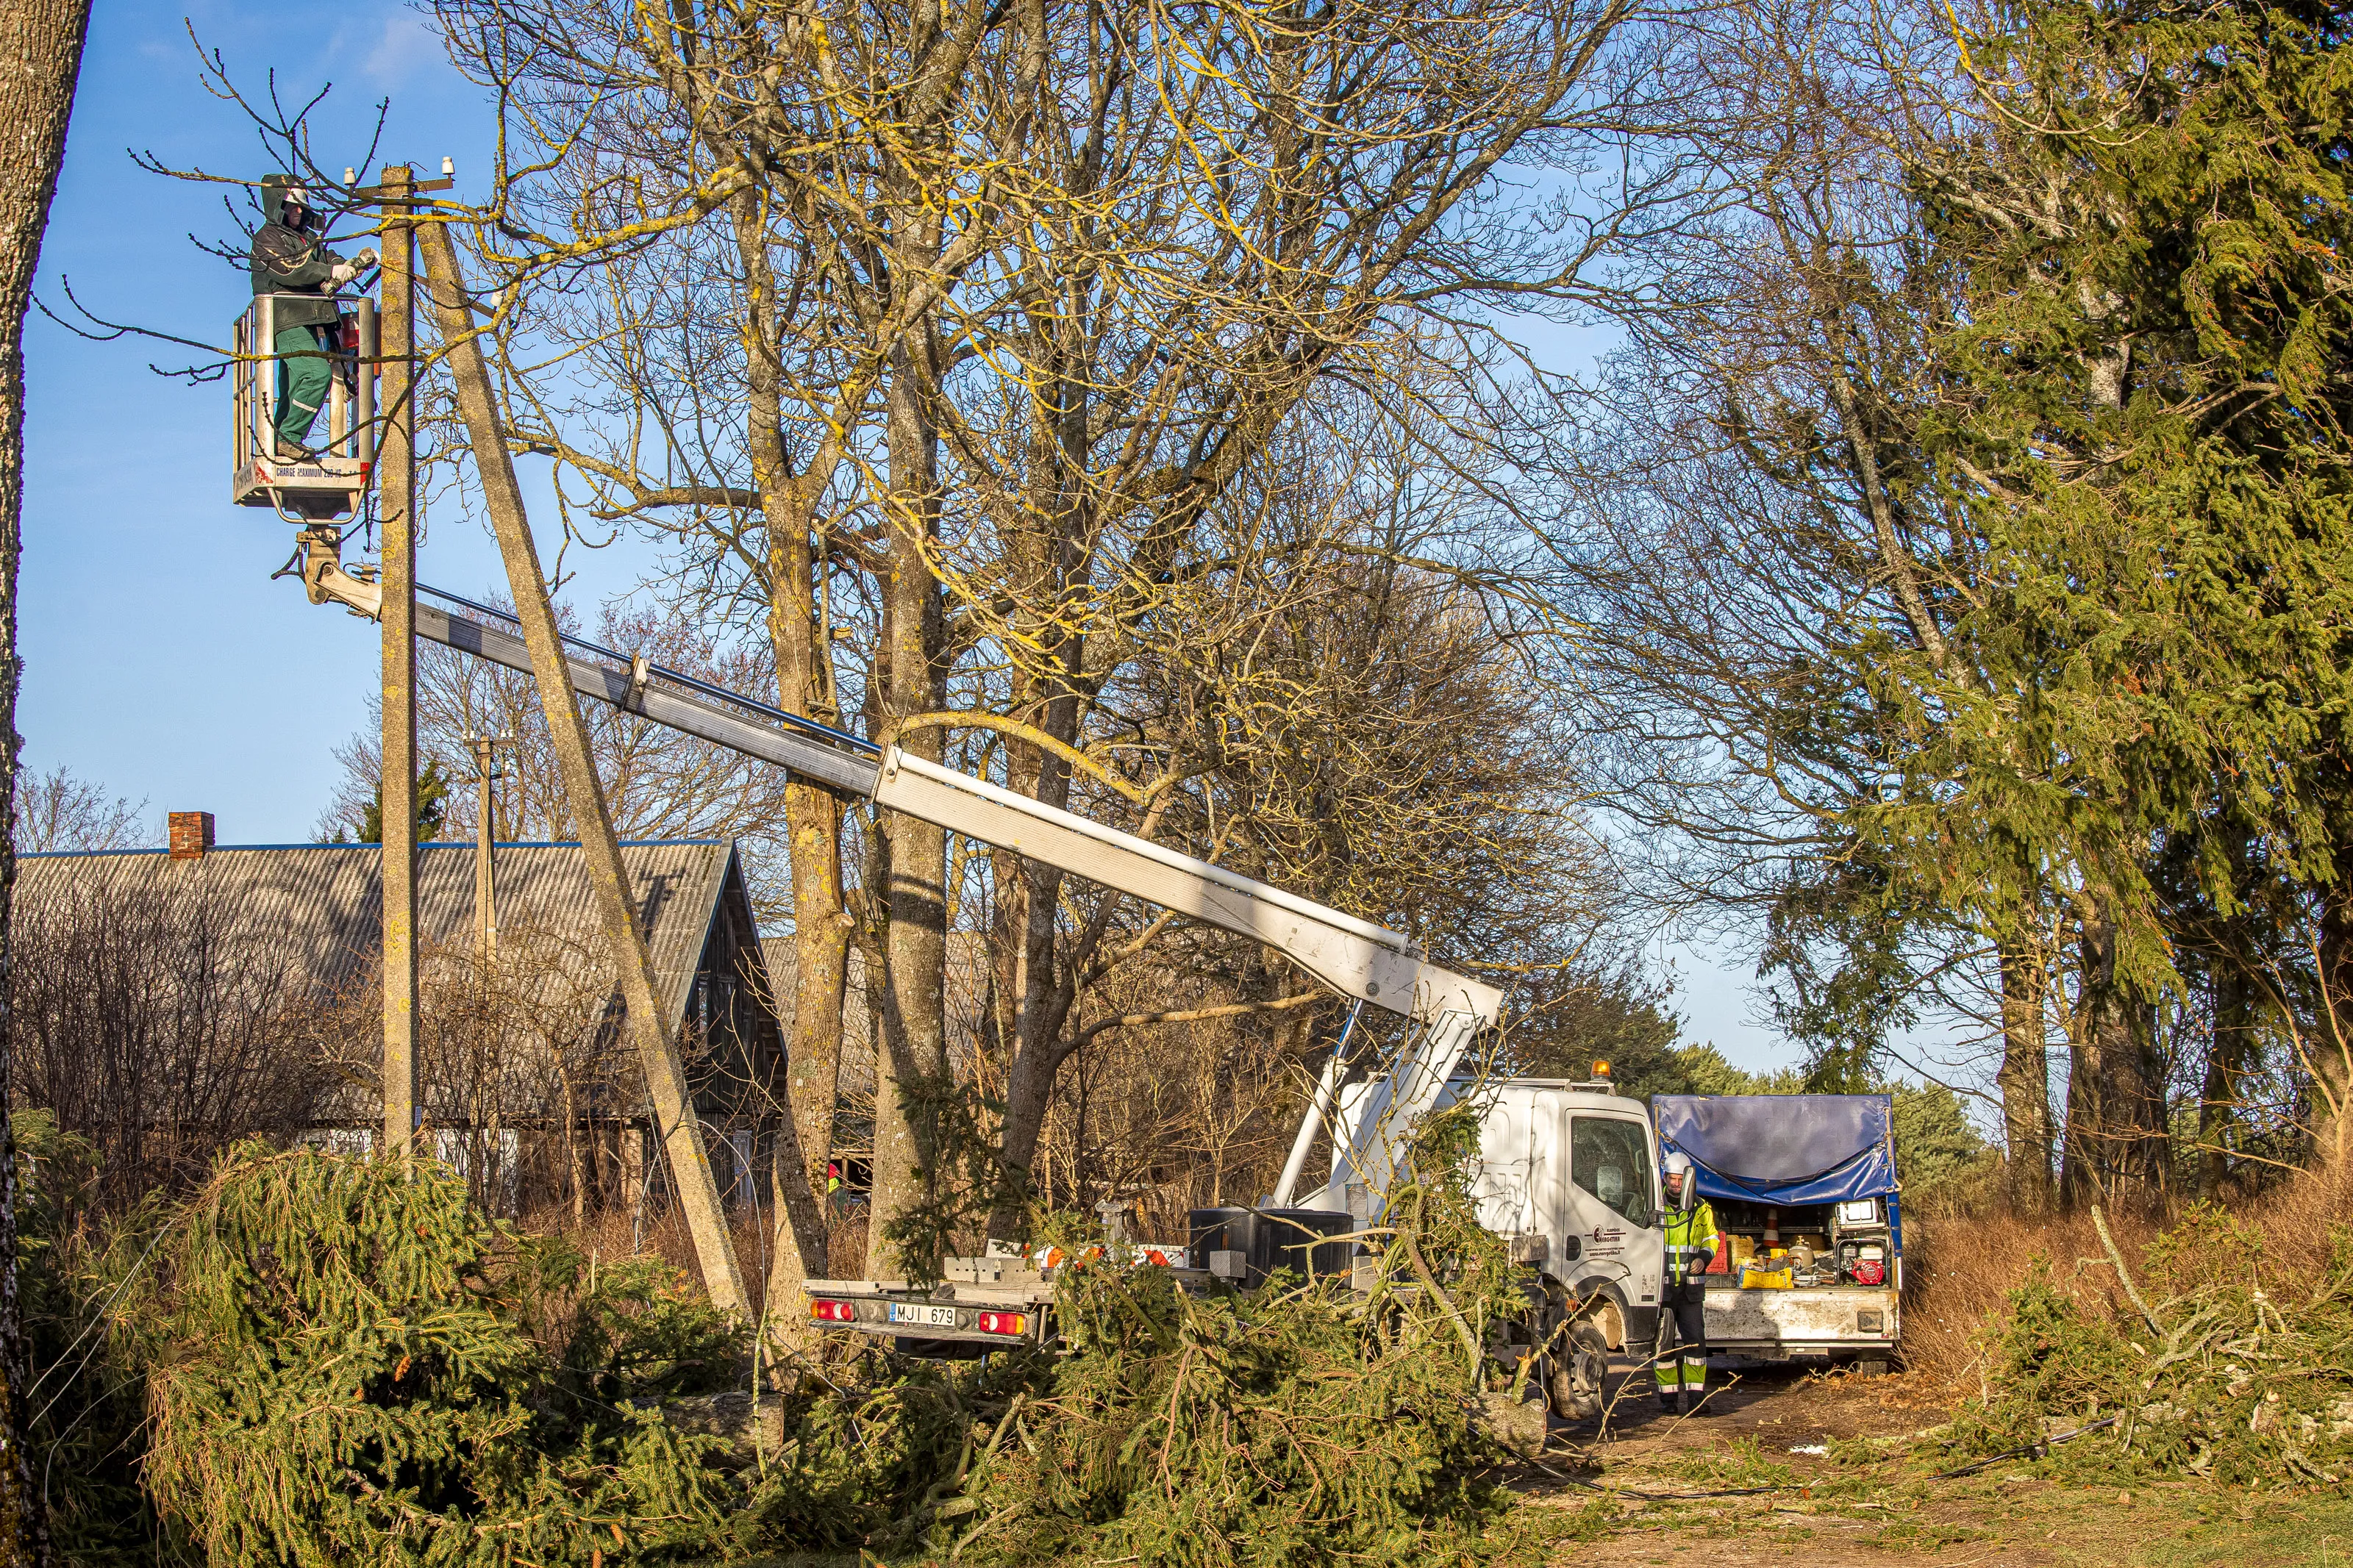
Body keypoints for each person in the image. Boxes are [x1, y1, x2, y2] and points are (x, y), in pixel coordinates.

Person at [249, 175, 376, 457]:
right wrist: (329, 272)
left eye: (301, 207)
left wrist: (346, 265)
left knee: (293, 383)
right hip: (287, 318)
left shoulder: (309, 238)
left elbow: (325, 257)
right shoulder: (267, 238)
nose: (298, 211)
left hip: (313, 320)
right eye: (292, 206)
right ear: (278, 205)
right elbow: (292, 269)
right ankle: (290, 437)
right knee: (315, 374)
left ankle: (278, 439)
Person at [1655, 1149, 1722, 1415]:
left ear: (1689, 1179)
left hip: (1691, 1289)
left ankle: (1696, 1400)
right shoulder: (1654, 1204)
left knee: (1696, 1344)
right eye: (1672, 1179)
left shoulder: (1701, 1209)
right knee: (1664, 1347)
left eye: (1680, 1180)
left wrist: (1704, 1258)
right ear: (1665, 1177)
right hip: (1662, 1289)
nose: (1675, 1184)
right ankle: (1668, 1402)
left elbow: (1712, 1238)